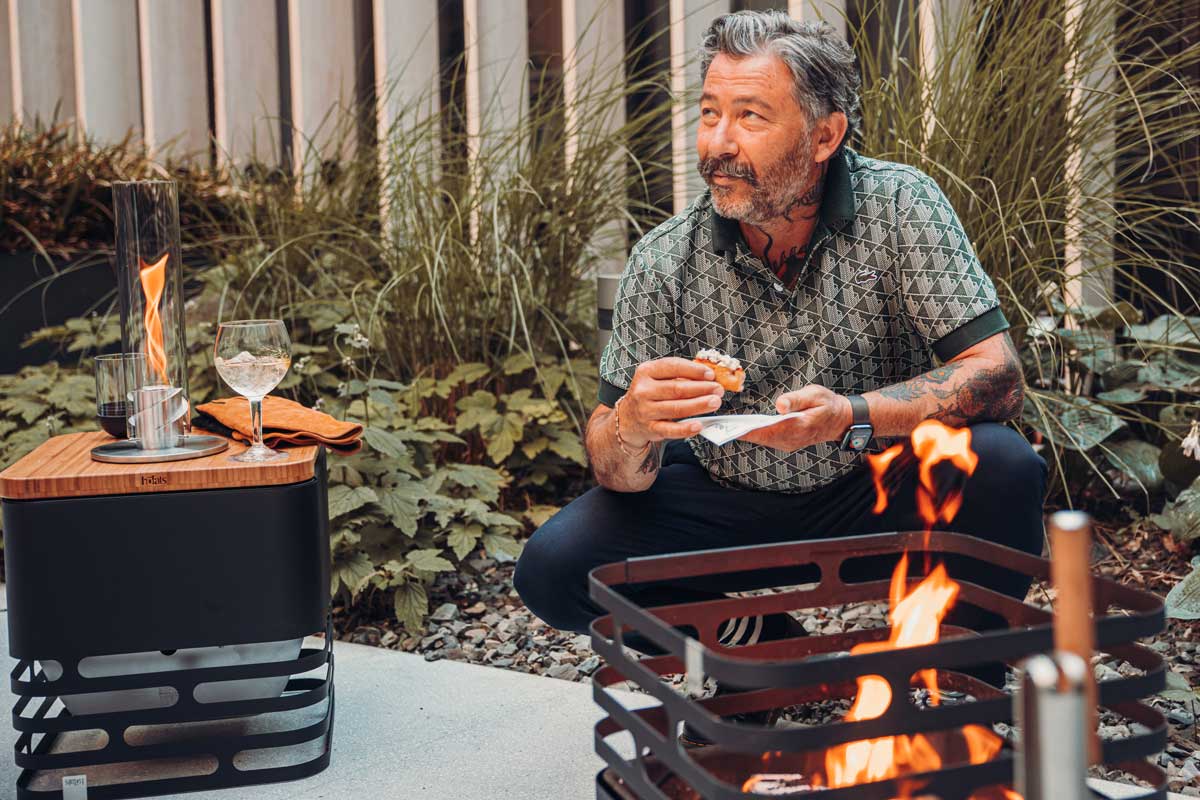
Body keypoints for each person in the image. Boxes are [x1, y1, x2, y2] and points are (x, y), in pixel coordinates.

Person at [514, 10, 1046, 705]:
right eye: (709, 113)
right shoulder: (664, 258)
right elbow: (614, 468)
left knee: (1002, 467)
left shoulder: (901, 207)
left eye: (751, 116)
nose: (718, 144)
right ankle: (761, 660)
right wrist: (633, 426)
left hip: (869, 478)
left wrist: (850, 416)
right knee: (556, 566)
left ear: (825, 135)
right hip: (722, 491)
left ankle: (959, 684)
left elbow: (998, 375)